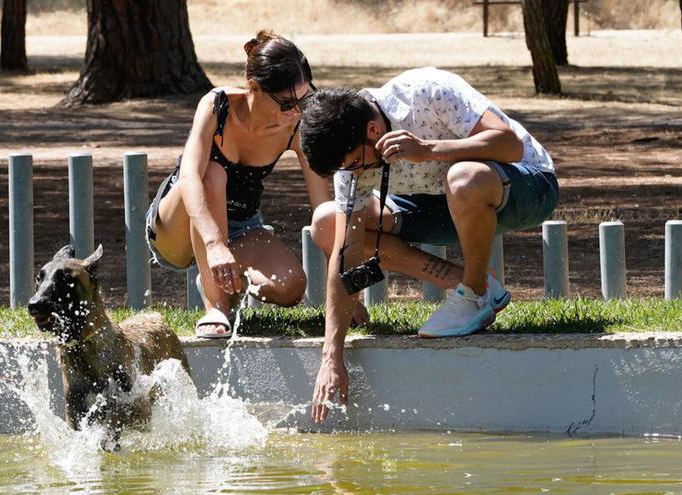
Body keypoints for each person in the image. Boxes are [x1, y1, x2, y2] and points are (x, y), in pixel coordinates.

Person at [299, 68, 558, 422]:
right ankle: (477, 287)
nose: (355, 174)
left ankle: (474, 292)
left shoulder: (427, 92)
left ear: (373, 131)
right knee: (329, 223)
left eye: (357, 164)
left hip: (524, 187)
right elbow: (346, 254)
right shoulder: (351, 163)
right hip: (442, 206)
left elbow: (509, 143)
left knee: (463, 178)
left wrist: (429, 150)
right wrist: (332, 356)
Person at [146, 31, 330, 338]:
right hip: (178, 224)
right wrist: (214, 244)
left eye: (304, 98)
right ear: (255, 88)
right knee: (213, 173)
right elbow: (191, 174)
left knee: (290, 286)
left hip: (240, 226)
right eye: (286, 103)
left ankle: (214, 277)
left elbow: (323, 207)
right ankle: (216, 305)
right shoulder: (217, 105)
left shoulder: (296, 126)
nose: (296, 111)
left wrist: (346, 291)